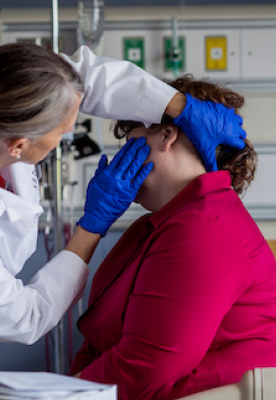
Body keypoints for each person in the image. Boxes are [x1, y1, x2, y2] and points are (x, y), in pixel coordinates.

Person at [0, 42, 246, 383]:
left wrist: (179, 105)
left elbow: (74, 80)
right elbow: (25, 317)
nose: (70, 132)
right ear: (19, 145)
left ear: (168, 136)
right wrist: (92, 225)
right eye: (62, 132)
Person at [69, 75, 276, 400]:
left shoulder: (206, 226)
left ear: (166, 135)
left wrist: (60, 392)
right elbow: (96, 339)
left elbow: (146, 368)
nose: (123, 153)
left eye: (131, 139)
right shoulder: (158, 225)